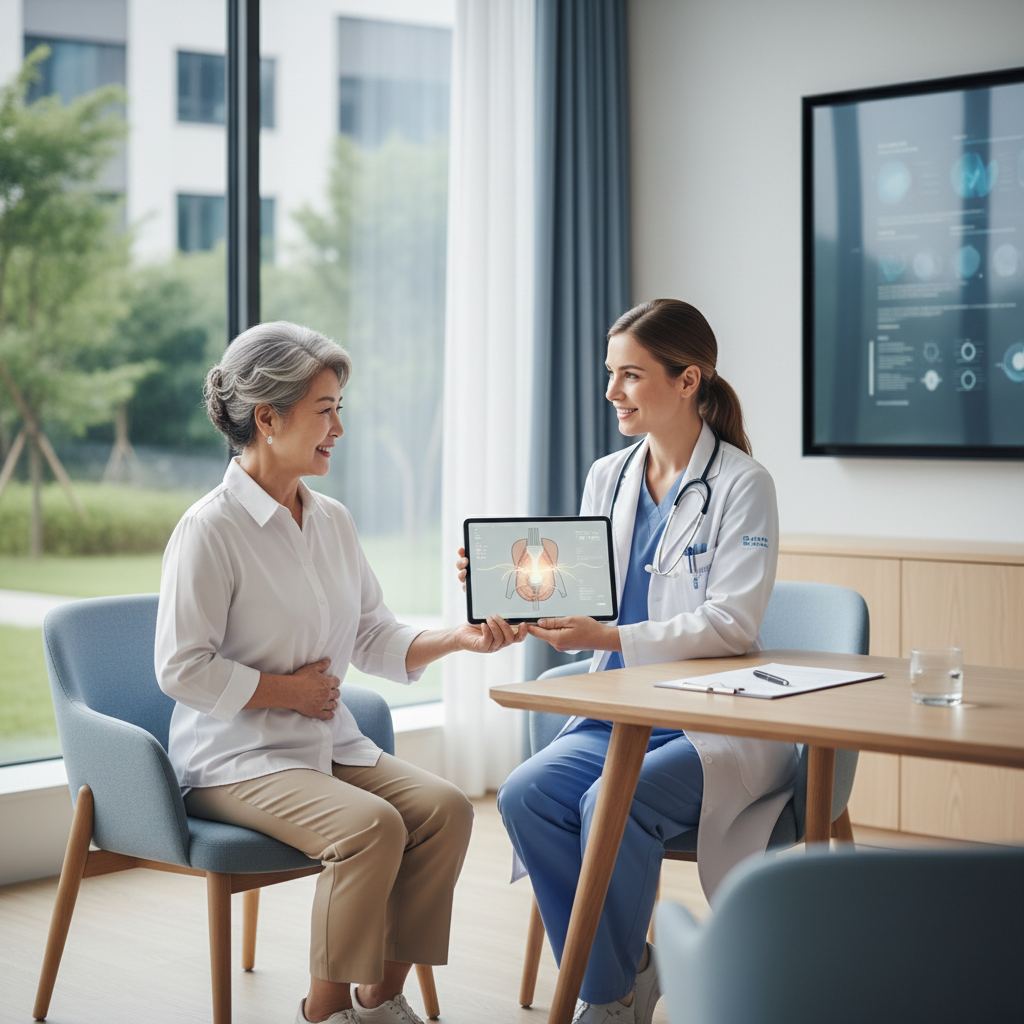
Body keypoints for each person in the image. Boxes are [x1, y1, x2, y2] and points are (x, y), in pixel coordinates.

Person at [155, 321, 525, 1024]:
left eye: (339, 410)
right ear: (269, 418)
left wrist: (460, 639)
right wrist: (284, 691)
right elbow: (181, 668)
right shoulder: (209, 531)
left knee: (444, 812)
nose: (338, 429)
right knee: (372, 828)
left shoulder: (332, 521)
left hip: (323, 746)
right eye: (325, 411)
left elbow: (370, 634)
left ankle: (379, 1001)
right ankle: (324, 1014)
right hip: (235, 761)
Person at [464, 299, 795, 1024]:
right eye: (610, 374)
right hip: (620, 708)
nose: (612, 392)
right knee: (525, 795)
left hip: (711, 720)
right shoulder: (607, 476)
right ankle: (624, 973)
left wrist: (607, 638)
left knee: (613, 802)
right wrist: (503, 586)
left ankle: (603, 999)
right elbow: (579, 591)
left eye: (631, 376)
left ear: (687, 380)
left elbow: (732, 623)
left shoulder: (743, 484)